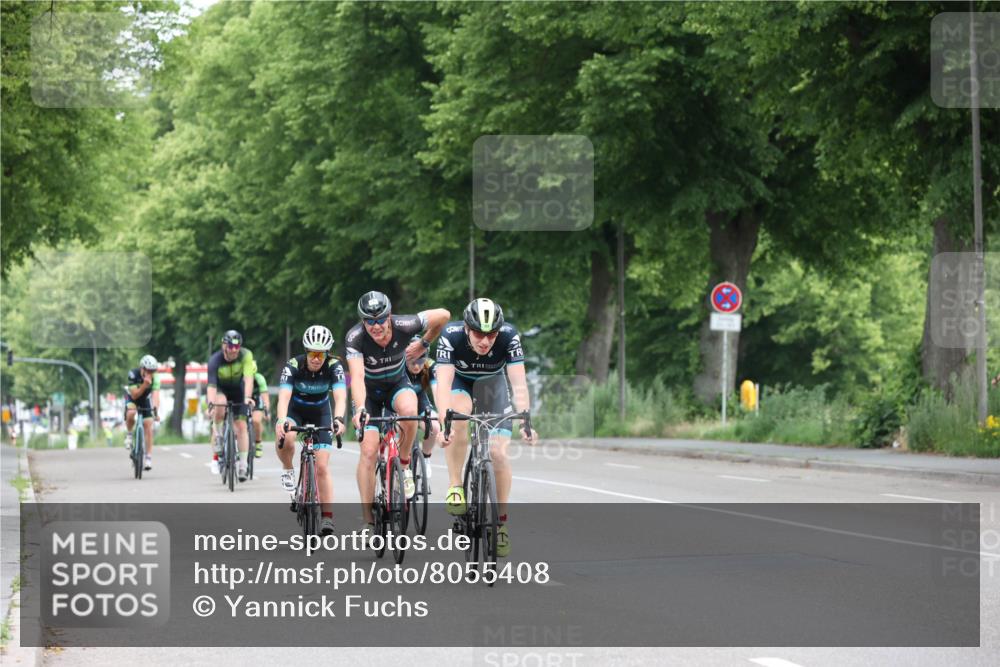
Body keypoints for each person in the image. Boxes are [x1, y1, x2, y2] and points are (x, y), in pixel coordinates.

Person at [435, 298, 536, 557]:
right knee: (459, 416)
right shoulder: (451, 335)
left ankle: (500, 525)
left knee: (499, 454)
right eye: (479, 334)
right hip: (461, 382)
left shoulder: (509, 336)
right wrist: (443, 422)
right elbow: (443, 384)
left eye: (491, 335)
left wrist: (525, 419)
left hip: (493, 385)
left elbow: (518, 382)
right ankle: (456, 485)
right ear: (467, 329)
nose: (485, 341)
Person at [345, 291, 449, 540]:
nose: (376, 326)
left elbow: (444, 315)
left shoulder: (405, 324)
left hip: (396, 386)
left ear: (390, 316)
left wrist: (424, 342)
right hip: (369, 395)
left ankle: (403, 466)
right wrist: (359, 409)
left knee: (410, 411)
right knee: (369, 452)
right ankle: (369, 521)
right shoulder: (355, 338)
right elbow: (357, 378)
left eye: (381, 319)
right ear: (362, 321)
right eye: (369, 321)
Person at [275, 325, 347, 536]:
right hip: (295, 410)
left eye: (321, 354)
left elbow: (341, 397)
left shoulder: (334, 366)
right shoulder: (293, 365)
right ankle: (288, 468)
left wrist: (339, 419)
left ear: (327, 353)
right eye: (313, 353)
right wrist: (281, 420)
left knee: (322, 467)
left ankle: (327, 517)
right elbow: (283, 397)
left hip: (321, 413)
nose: (317, 358)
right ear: (306, 352)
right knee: (287, 438)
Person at [206, 330, 256, 481]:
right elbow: (211, 386)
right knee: (219, 403)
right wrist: (210, 404)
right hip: (221, 390)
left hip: (238, 390)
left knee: (241, 426)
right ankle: (220, 437)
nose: (234, 350)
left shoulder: (246, 355)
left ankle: (242, 465)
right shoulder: (215, 360)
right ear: (224, 346)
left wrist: (247, 397)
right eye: (230, 346)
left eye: (237, 346)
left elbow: (248, 378)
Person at [405, 336, 440, 477]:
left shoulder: (430, 365)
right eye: (412, 361)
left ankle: (425, 458)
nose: (416, 366)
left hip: (419, 399)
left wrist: (443, 415)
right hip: (397, 400)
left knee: (435, 426)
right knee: (398, 428)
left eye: (421, 360)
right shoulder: (398, 364)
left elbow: (438, 392)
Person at [124, 355, 161, 471]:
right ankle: (129, 434)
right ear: (142, 369)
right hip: (132, 398)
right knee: (131, 413)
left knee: (148, 425)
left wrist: (155, 411)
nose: (151, 373)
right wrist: (145, 385)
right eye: (149, 371)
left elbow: (155, 396)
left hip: (145, 400)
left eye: (153, 371)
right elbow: (134, 395)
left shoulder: (155, 378)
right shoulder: (133, 374)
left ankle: (148, 457)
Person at [250, 364, 270, 459]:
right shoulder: (240, 377)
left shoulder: (259, 378)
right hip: (243, 398)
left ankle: (258, 443)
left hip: (256, 399)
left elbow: (265, 396)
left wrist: (267, 411)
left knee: (256, 420)